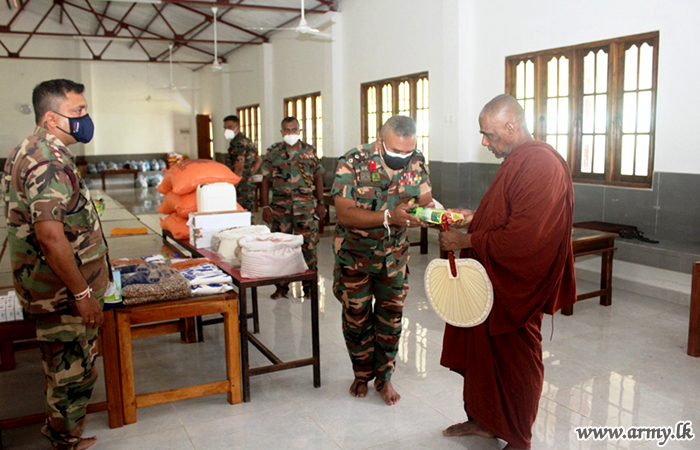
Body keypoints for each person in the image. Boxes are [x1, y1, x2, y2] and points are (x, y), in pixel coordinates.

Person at [438, 94, 577, 449]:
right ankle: (486, 421)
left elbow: (525, 239)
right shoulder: (519, 160)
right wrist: (475, 218)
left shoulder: (540, 164)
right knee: (486, 356)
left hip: (517, 285)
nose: (484, 142)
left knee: (517, 361)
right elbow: (508, 215)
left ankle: (517, 435)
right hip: (493, 281)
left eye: (489, 134)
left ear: (511, 127)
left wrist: (467, 241)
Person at [2, 79, 110, 450]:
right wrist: (82, 292)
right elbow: (50, 236)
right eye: (77, 111)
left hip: (49, 286)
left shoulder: (29, 150)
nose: (85, 118)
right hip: (60, 293)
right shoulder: (47, 161)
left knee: (64, 367)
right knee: (70, 371)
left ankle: (62, 434)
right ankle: (65, 442)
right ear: (51, 118)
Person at [331, 115, 433, 406]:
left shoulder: (416, 162)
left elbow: (425, 200)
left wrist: (435, 214)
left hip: (394, 257)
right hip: (355, 256)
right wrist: (388, 216)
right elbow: (345, 213)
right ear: (380, 141)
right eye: (395, 151)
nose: (402, 157)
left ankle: (384, 378)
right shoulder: (353, 161)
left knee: (391, 321)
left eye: (407, 151)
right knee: (357, 318)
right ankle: (361, 373)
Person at [260, 117, 326, 299]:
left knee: (309, 248)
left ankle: (310, 288)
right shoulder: (273, 152)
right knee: (281, 249)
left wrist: (321, 203)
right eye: (287, 130)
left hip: (305, 209)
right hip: (280, 211)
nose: (290, 133)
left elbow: (318, 176)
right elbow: (265, 180)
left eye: (294, 129)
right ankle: (281, 288)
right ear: (282, 132)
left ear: (300, 130)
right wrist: (265, 206)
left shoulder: (309, 151)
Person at [224, 115, 262, 212]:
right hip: (247, 183)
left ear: (237, 127)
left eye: (230, 127)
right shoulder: (247, 140)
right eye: (225, 128)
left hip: (240, 186)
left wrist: (233, 186)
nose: (227, 130)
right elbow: (259, 160)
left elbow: (239, 167)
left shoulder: (238, 143)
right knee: (248, 212)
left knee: (240, 213)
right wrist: (250, 174)